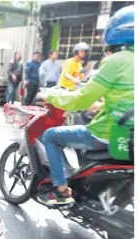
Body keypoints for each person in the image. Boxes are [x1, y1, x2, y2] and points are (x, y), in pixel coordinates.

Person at [36, 5, 134, 206]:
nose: (84, 53)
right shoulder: (73, 62)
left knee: (50, 136)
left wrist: (50, 96)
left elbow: (81, 99)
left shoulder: (116, 61)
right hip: (128, 130)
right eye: (82, 51)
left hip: (108, 130)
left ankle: (61, 189)